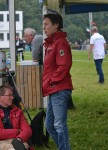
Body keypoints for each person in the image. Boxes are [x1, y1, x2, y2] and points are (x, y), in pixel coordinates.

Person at [42, 13, 73, 150]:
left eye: (46, 24)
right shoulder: (51, 42)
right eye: (43, 24)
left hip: (59, 88)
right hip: (53, 89)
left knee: (59, 125)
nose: (44, 27)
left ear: (56, 25)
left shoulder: (60, 42)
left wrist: (51, 82)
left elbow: (64, 66)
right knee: (49, 125)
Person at [0, 85, 34, 150]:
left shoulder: (18, 111)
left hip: (17, 139)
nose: (12, 97)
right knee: (11, 148)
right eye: (9, 95)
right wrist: (17, 131)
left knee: (24, 146)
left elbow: (27, 130)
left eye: (12, 95)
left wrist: (19, 139)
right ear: (0, 97)